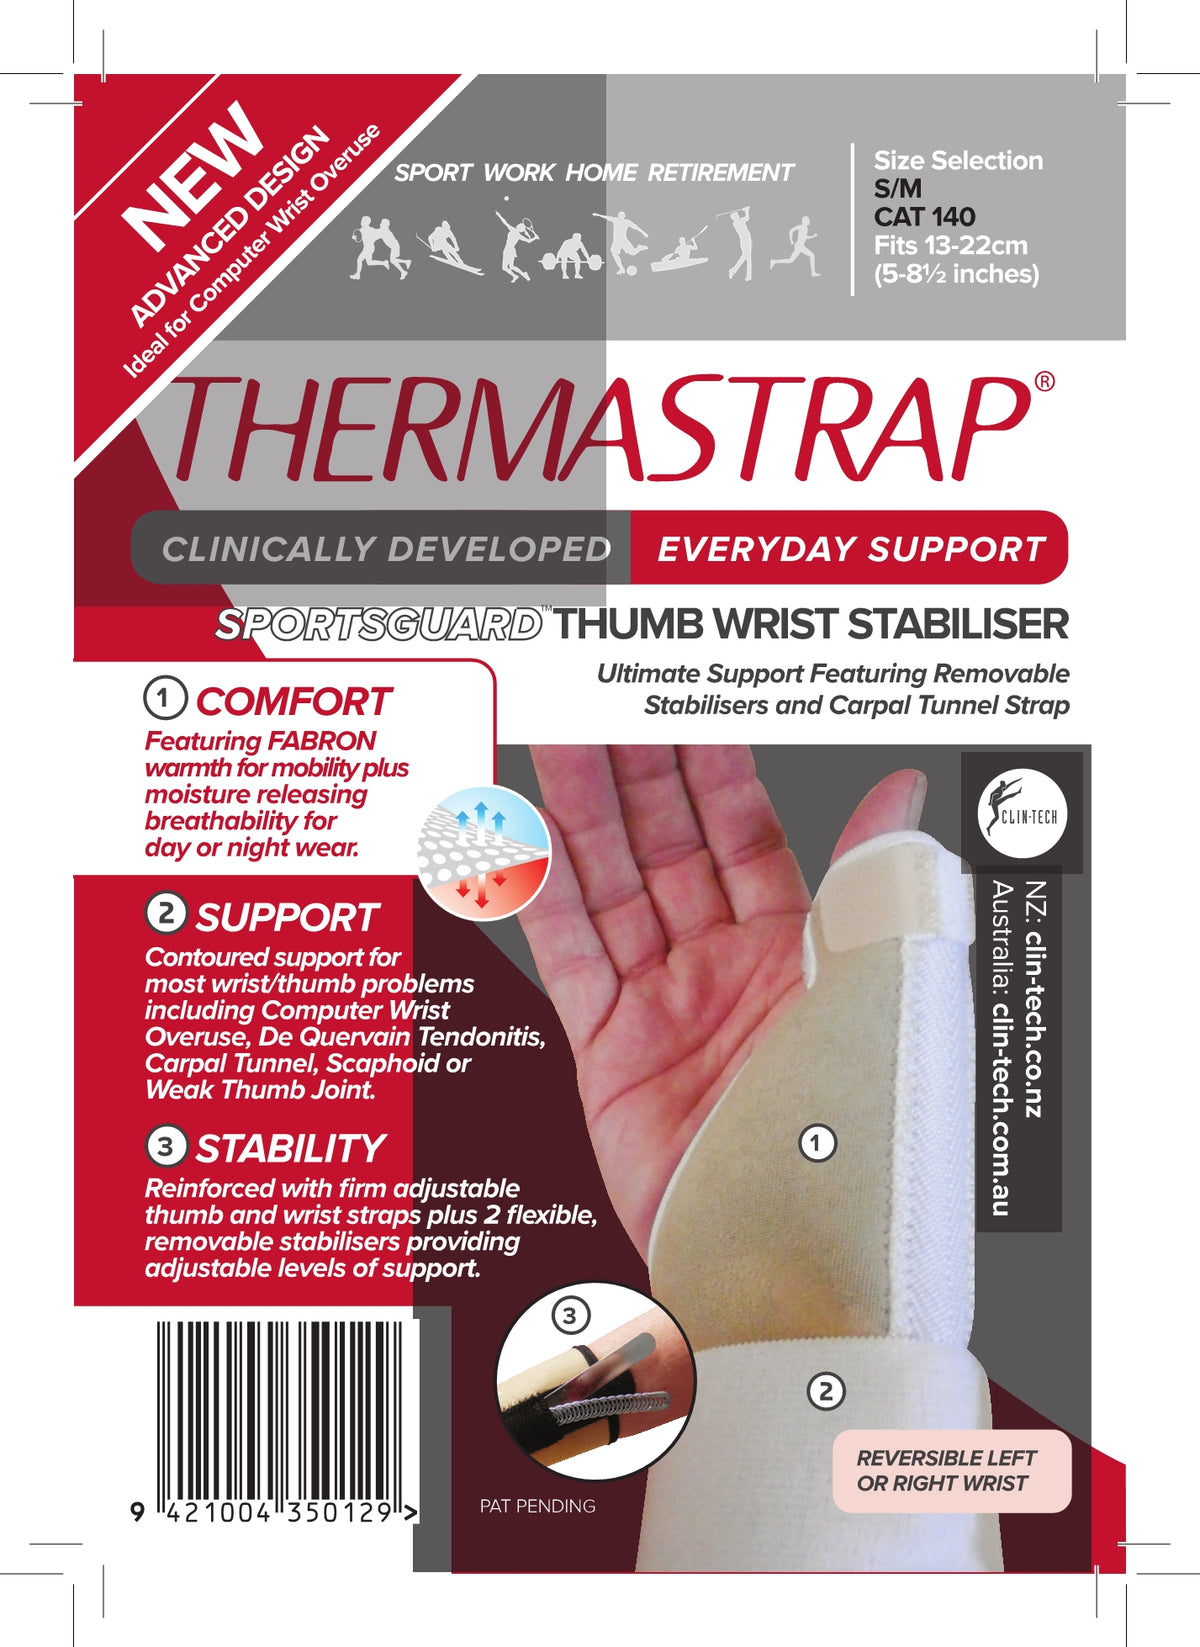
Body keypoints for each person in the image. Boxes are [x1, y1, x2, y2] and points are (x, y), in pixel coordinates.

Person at [496, 210, 538, 282]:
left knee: (507, 267)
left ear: (519, 228)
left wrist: (499, 215)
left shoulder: (513, 230)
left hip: (509, 250)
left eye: (519, 225)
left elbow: (505, 222)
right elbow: (529, 241)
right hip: (509, 249)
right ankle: (519, 275)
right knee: (508, 267)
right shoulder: (518, 234)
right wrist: (535, 238)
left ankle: (520, 275)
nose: (518, 225)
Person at [727, 206, 752, 281]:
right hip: (745, 241)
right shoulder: (737, 222)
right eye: (736, 216)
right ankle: (748, 276)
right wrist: (746, 210)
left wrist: (746, 210)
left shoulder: (738, 222)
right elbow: (747, 218)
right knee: (748, 258)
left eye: (737, 215)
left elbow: (746, 218)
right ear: (734, 218)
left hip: (747, 240)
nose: (737, 216)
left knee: (745, 257)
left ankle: (733, 270)